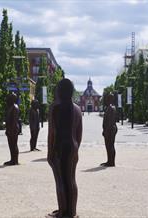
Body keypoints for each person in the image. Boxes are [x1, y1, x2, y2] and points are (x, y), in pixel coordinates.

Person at [47, 79, 82, 218]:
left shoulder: (55, 107)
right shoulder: (78, 109)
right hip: (73, 147)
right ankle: (71, 211)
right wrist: (76, 148)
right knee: (71, 180)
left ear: (60, 90)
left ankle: (62, 211)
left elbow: (52, 132)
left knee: (60, 180)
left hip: (60, 147)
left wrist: (50, 152)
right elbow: (79, 133)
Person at [101, 93, 117, 167]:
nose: (106, 100)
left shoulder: (110, 108)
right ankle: (109, 161)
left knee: (110, 145)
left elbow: (109, 122)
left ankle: (111, 162)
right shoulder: (111, 107)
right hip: (111, 129)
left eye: (108, 98)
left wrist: (106, 131)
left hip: (110, 130)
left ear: (110, 99)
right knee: (109, 146)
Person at [4, 93, 20, 166]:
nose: (8, 99)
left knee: (13, 144)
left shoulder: (14, 107)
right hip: (11, 128)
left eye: (9, 98)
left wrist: (10, 130)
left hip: (13, 129)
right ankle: (13, 159)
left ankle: (15, 160)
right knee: (12, 145)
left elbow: (14, 120)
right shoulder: (11, 107)